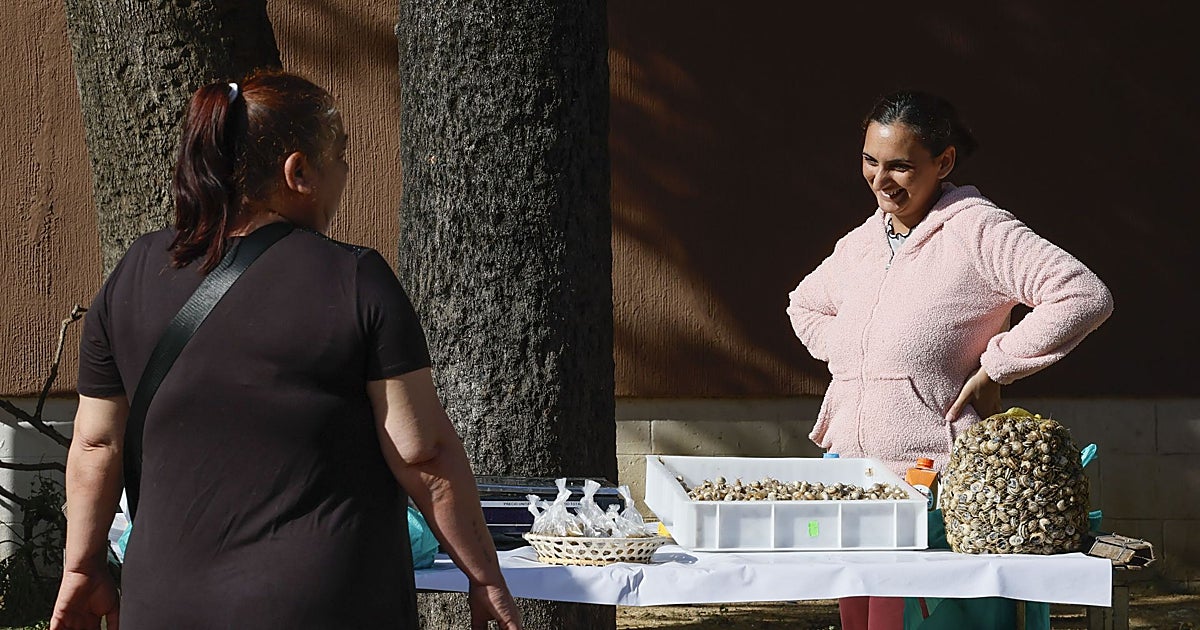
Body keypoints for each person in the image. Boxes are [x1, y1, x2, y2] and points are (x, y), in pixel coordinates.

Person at [50, 71, 522, 630]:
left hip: (166, 605)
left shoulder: (135, 272)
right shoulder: (355, 279)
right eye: (341, 158)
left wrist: (81, 567)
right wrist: (485, 574)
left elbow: (95, 443)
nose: (346, 175)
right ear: (298, 172)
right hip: (326, 603)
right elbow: (424, 453)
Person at [786, 91, 1112, 630]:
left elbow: (1081, 293)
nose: (880, 179)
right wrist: (858, 360)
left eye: (901, 166)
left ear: (945, 162)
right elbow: (805, 304)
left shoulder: (976, 230)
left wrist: (999, 365)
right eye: (870, 160)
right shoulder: (866, 240)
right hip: (848, 483)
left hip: (935, 489)